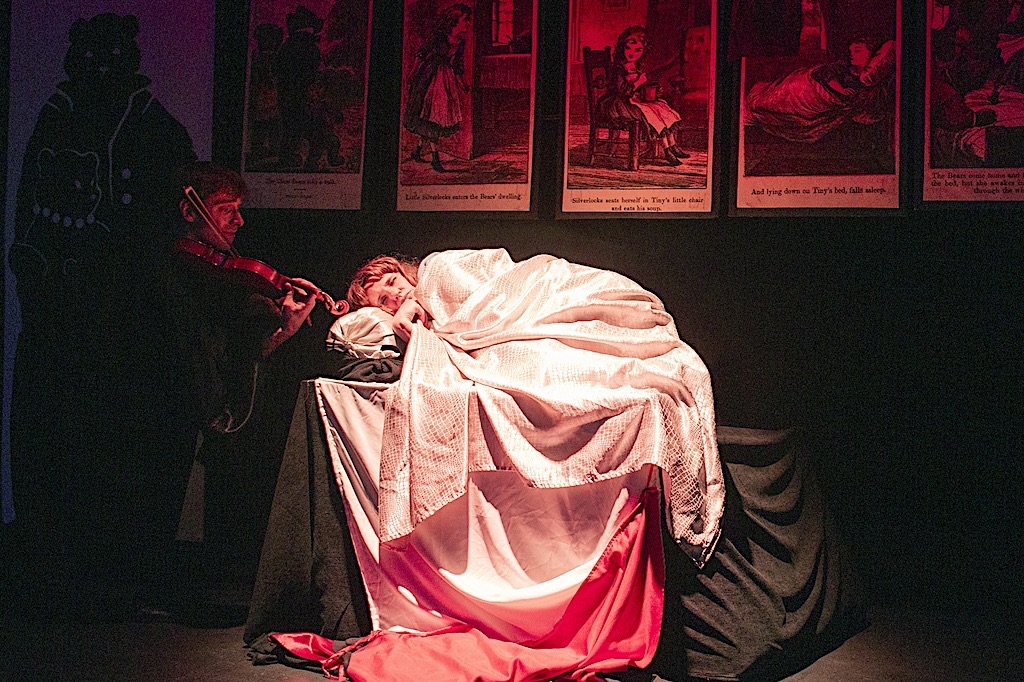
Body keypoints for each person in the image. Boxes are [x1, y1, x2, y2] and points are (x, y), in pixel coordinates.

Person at [138, 162, 320, 621]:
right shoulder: (172, 268)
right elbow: (195, 349)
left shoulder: (220, 276)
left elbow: (244, 354)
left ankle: (178, 588)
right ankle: (152, 591)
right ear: (189, 211)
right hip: (164, 401)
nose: (238, 221)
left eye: (239, 209)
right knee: (162, 497)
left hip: (198, 402)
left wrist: (284, 329)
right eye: (225, 209)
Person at [743, 35, 896, 144]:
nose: (851, 54)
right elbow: (823, 74)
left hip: (821, 100)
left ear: (871, 53)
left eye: (857, 51)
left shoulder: (867, 80)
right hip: (810, 84)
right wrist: (841, 90)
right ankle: (757, 102)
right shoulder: (842, 67)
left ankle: (757, 109)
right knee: (787, 91)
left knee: (786, 111)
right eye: (851, 51)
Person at [597, 26, 690, 166]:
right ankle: (666, 151)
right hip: (618, 104)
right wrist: (638, 82)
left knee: (662, 107)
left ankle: (673, 145)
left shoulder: (636, 66)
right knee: (651, 113)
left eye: (637, 50)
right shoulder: (619, 68)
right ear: (622, 47)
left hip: (632, 101)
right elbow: (621, 91)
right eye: (628, 48)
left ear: (643, 51)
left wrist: (651, 89)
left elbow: (640, 87)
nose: (632, 53)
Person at [402, 4, 472, 172]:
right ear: (454, 21)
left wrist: (462, 83)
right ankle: (435, 159)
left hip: (446, 78)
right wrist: (412, 73)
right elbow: (422, 53)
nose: (468, 23)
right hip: (430, 77)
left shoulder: (461, 41)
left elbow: (457, 65)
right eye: (465, 19)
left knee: (436, 117)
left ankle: (417, 151)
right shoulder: (439, 36)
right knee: (430, 116)